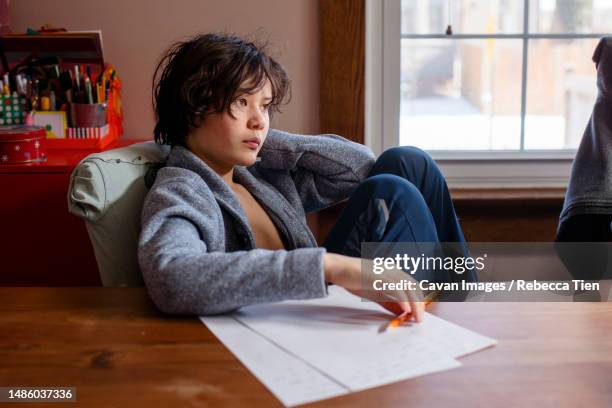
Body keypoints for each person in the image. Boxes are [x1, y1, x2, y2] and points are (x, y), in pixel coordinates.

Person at [138, 32, 474, 320]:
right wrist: (333, 267)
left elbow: (358, 166)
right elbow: (172, 279)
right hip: (281, 325)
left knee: (408, 162)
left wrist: (265, 142)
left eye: (266, 105)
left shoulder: (258, 176)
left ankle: (465, 300)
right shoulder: (182, 188)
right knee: (393, 191)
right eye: (241, 101)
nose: (259, 120)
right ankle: (463, 312)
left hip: (316, 298)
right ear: (193, 107)